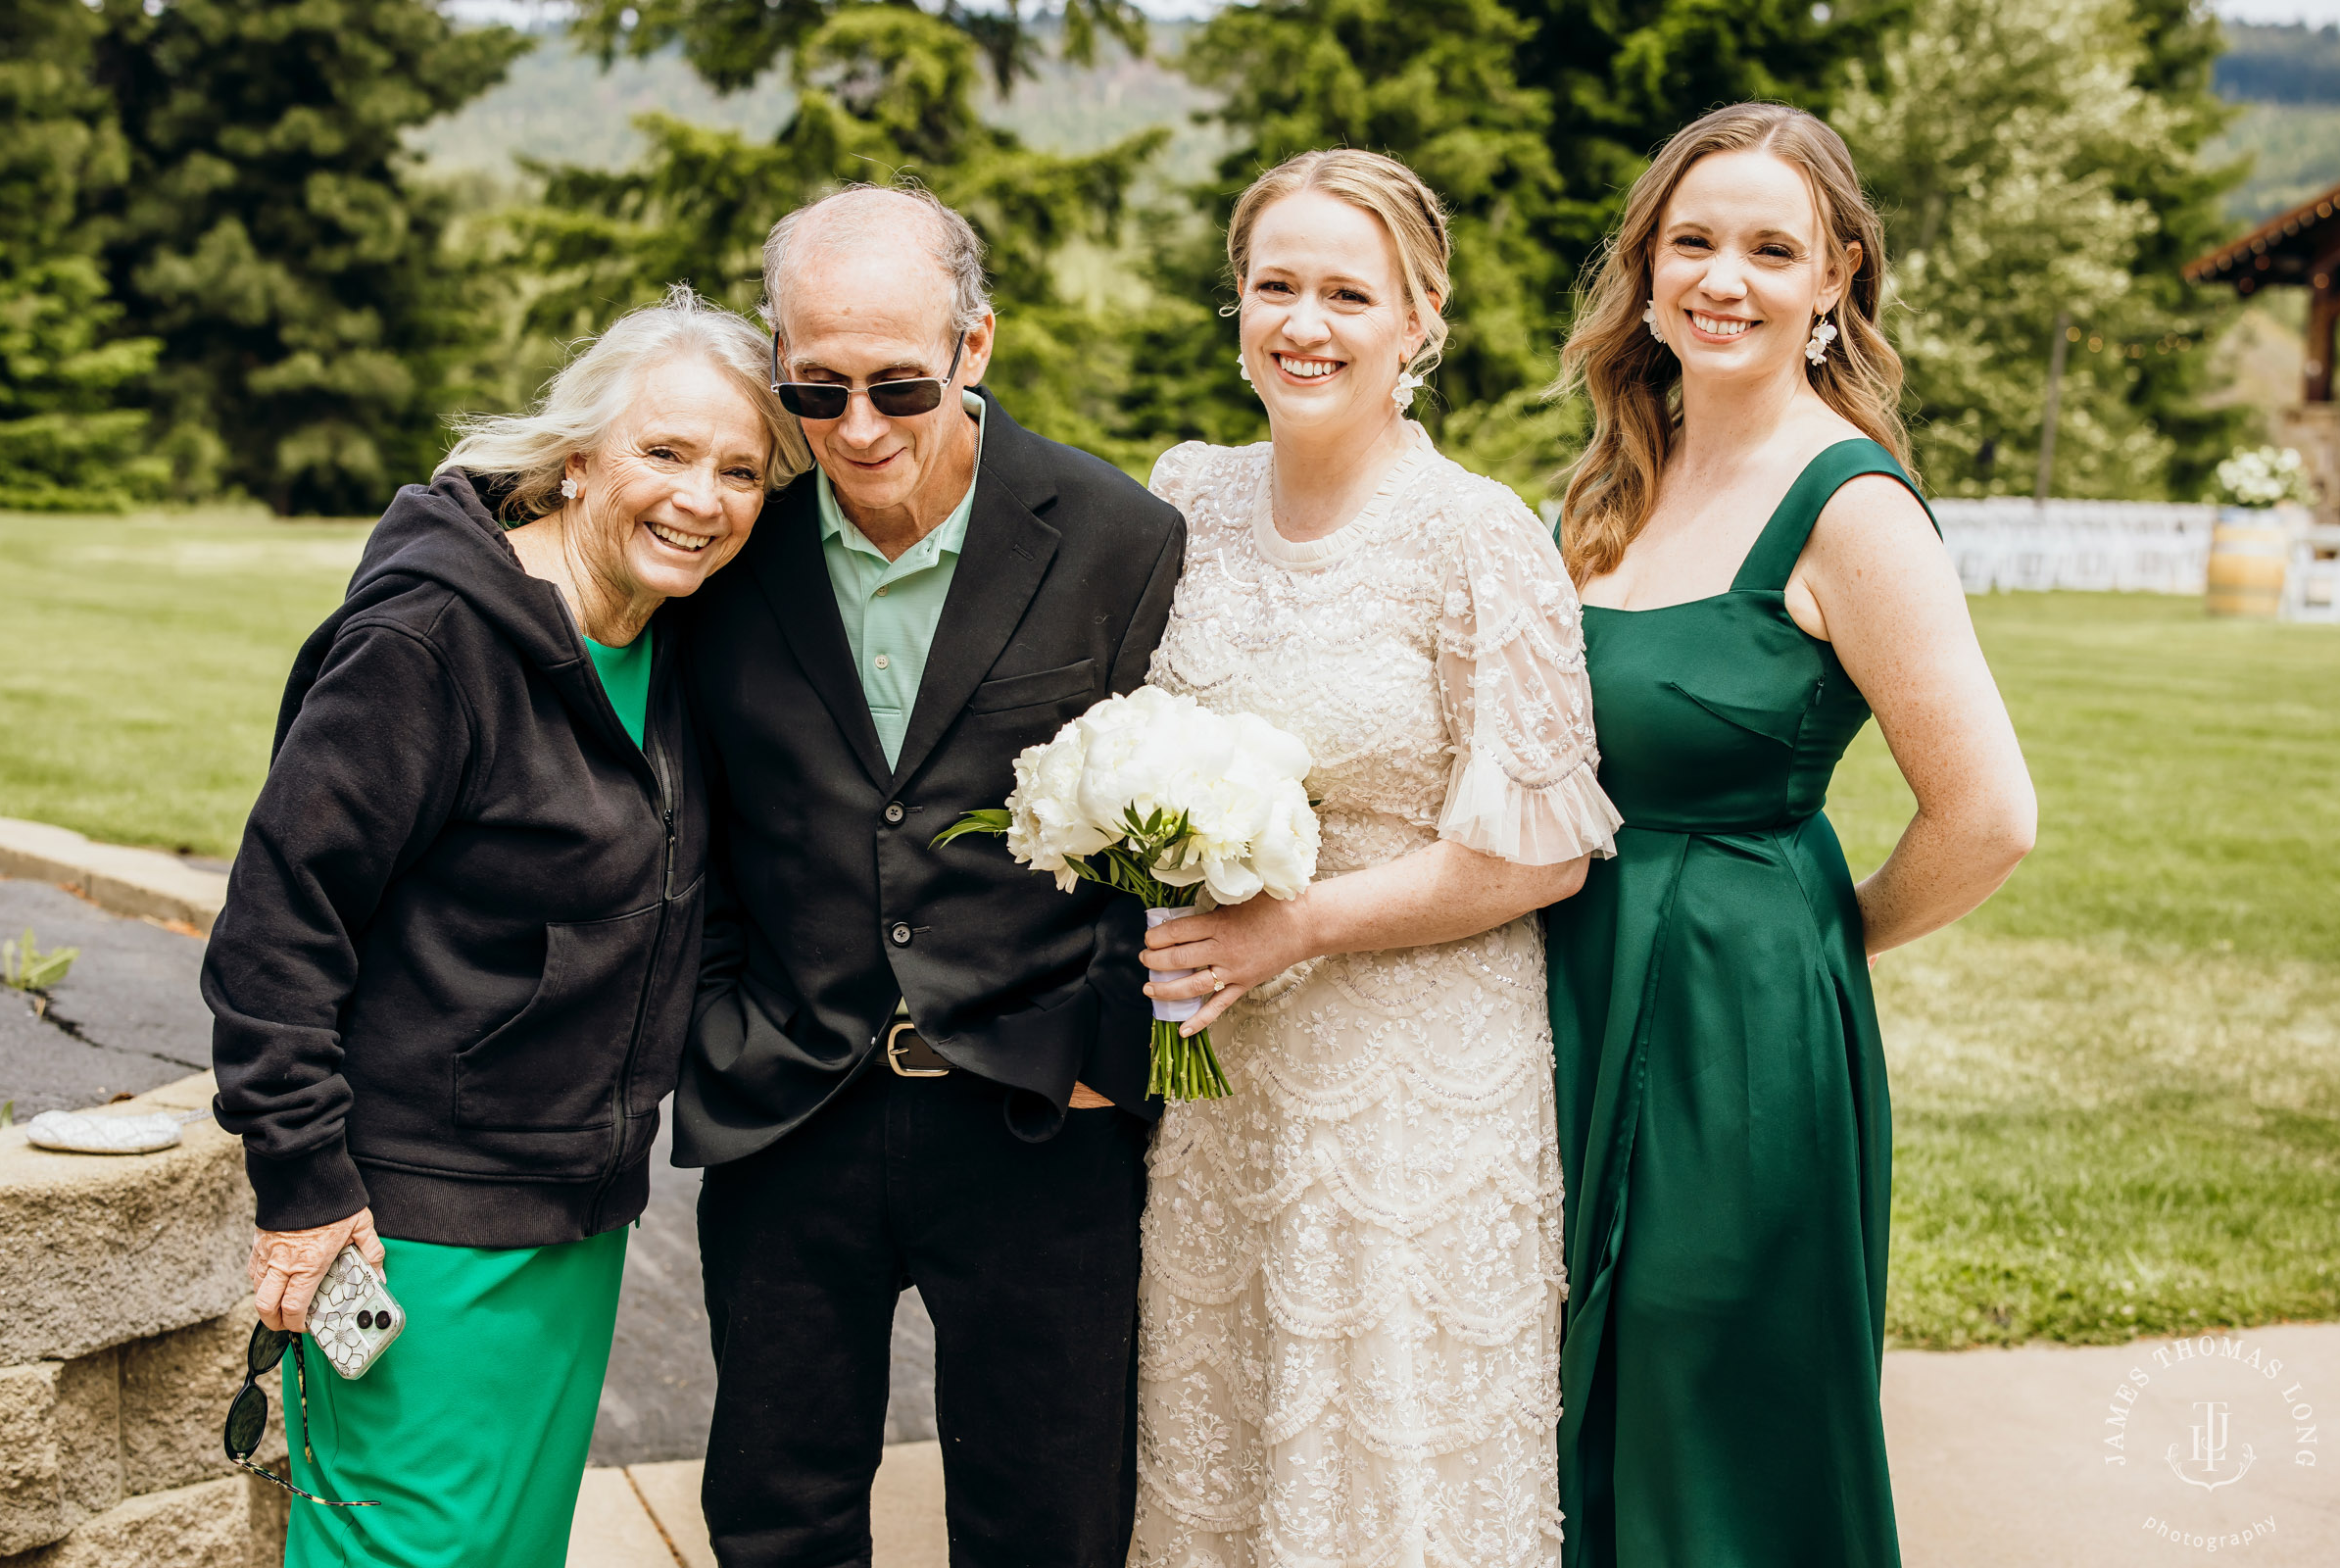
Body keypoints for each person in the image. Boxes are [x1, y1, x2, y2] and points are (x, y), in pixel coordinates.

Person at [204, 285, 807, 1567]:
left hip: (575, 1211)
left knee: (514, 1547)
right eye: (667, 452)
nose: (703, 497)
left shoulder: (670, 642)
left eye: (741, 470)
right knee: (406, 1551)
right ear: (578, 455)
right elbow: (277, 924)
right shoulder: (430, 643)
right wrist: (303, 1185)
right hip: (414, 1216)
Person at [1544, 104, 2037, 1567]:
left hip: (1738, 1029)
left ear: (1837, 278)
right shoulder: (1619, 477)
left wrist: (1813, 944)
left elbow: (1992, 815)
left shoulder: (1854, 506)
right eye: (1692, 241)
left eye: (1772, 248)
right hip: (1572, 986)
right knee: (1576, 1379)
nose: (1724, 278)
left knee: (1712, 1385)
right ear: (1645, 266)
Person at [673, 184, 1186, 1567]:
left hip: (1040, 1118)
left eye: (897, 384)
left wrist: (1112, 1064)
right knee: (776, 1516)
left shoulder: (1119, 537)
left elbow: (1175, 840)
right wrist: (721, 1024)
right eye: (814, 388)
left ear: (976, 347)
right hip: (789, 1111)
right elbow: (697, 824)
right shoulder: (728, 549)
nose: (853, 430)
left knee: (1050, 1520)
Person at [1130, 149, 1623, 1568]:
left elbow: (1540, 848)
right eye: (1275, 285)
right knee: (1220, 1423)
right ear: (1234, 306)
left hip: (1413, 1077)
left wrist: (1297, 928)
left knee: (1381, 1454)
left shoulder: (1477, 536)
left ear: (1420, 318)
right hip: (1224, 1074)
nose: (1306, 322)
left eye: (1350, 292)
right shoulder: (1186, 499)